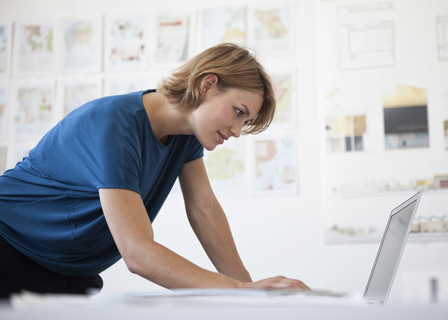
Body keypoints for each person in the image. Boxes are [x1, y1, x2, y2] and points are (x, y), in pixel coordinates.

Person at [0, 43, 309, 298]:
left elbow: (204, 208)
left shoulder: (184, 138)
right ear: (208, 85)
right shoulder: (116, 126)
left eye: (245, 122)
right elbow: (138, 253)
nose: (238, 131)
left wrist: (253, 292)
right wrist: (240, 290)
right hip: (9, 251)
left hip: (67, 270)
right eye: (238, 113)